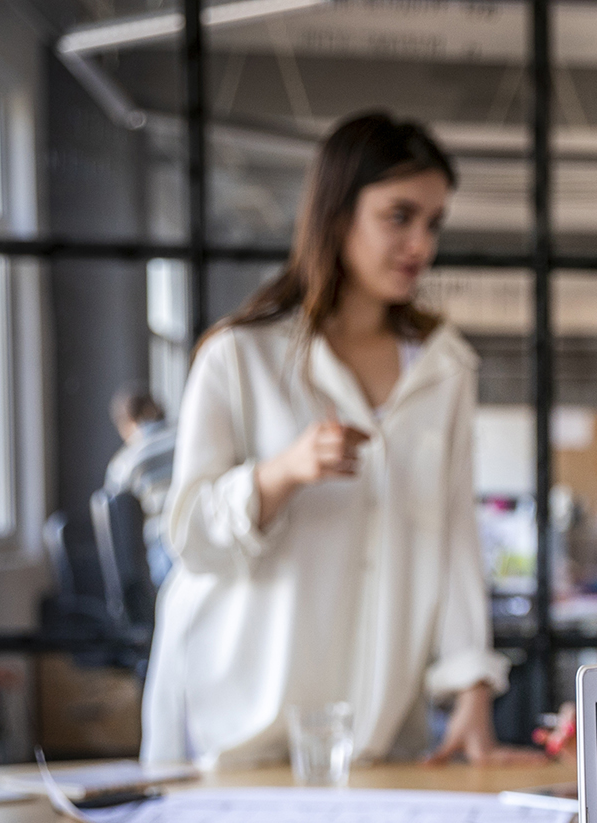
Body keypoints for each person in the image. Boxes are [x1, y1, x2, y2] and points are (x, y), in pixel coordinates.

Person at [143, 112, 511, 769]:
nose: (419, 245)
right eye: (398, 216)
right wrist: (280, 473)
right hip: (236, 719)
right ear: (338, 213)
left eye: (433, 222)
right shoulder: (238, 357)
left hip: (369, 724)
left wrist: (472, 687)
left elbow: (455, 533)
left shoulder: (445, 368)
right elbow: (190, 536)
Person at [102, 383, 177, 587]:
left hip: (164, 541)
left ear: (127, 423)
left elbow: (112, 506)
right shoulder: (184, 437)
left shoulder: (126, 461)